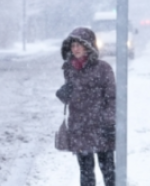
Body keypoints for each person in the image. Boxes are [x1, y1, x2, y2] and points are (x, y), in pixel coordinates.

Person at [56, 27, 116, 186]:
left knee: (108, 171)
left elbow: (112, 97)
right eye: (72, 46)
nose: (75, 49)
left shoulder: (103, 68)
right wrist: (63, 94)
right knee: (86, 172)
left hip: (101, 126)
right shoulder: (69, 68)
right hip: (80, 127)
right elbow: (72, 96)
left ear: (88, 46)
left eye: (78, 45)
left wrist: (109, 123)